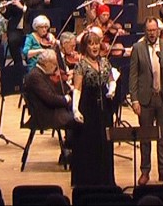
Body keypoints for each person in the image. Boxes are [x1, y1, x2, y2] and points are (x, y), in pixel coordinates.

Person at [129, 17, 163, 186]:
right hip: (145, 98)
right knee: (145, 136)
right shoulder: (137, 48)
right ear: (145, 31)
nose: (152, 33)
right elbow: (133, 75)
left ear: (159, 31)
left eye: (154, 30)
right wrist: (134, 99)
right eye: (149, 30)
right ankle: (145, 171)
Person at [71, 32, 117, 186]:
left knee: (104, 142)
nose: (95, 47)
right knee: (89, 144)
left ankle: (105, 180)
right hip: (88, 107)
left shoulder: (105, 62)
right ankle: (89, 181)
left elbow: (111, 80)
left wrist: (112, 89)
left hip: (104, 108)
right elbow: (77, 89)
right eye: (91, 44)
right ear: (85, 47)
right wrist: (75, 110)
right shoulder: (81, 65)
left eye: (97, 43)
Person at [23, 51, 74, 167]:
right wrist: (66, 99)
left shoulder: (42, 73)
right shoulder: (35, 76)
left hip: (49, 111)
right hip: (44, 115)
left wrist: (67, 89)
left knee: (75, 115)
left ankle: (68, 153)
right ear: (46, 64)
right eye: (54, 65)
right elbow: (49, 99)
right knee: (76, 120)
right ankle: (70, 154)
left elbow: (52, 92)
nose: (56, 68)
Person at [3, 0, 46, 66]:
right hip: (16, 28)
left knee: (31, 42)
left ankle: (30, 64)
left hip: (31, 29)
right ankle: (18, 65)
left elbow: (35, 15)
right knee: (12, 41)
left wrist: (22, 8)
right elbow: (8, 15)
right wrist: (4, 9)